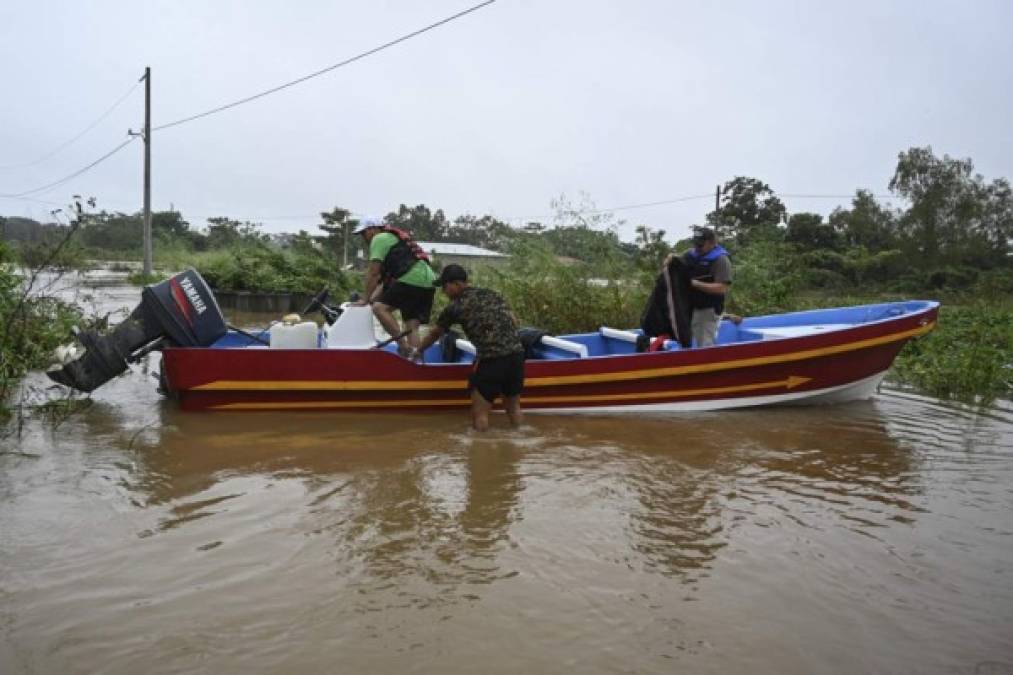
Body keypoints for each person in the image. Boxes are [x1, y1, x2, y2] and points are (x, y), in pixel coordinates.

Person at [413, 264, 524, 431]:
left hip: (492, 360)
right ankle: (519, 445)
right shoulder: (492, 294)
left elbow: (434, 334)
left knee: (479, 414)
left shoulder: (454, 307)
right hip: (517, 356)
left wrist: (419, 350)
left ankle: (479, 453)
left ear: (457, 284)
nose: (444, 291)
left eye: (445, 286)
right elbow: (514, 321)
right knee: (514, 408)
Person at [352, 216, 437, 356]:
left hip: (411, 279)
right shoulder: (393, 239)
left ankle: (403, 346)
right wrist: (372, 298)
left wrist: (365, 299)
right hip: (428, 282)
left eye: (363, 233)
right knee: (411, 326)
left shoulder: (379, 239)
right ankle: (414, 361)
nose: (363, 237)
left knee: (379, 308)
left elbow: (374, 273)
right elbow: (385, 281)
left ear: (373, 229)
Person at [671, 226, 732, 348]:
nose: (697, 248)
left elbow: (722, 288)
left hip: (708, 310)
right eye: (696, 244)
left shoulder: (721, 260)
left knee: (705, 344)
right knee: (683, 340)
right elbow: (678, 261)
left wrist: (696, 284)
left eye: (700, 245)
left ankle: (710, 365)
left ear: (712, 243)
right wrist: (671, 259)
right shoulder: (690, 254)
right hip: (689, 308)